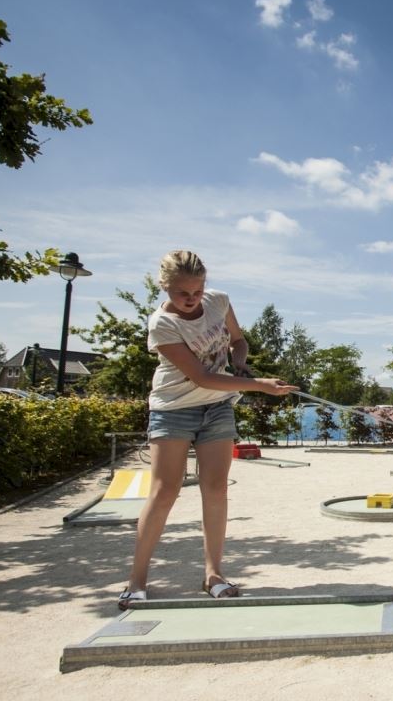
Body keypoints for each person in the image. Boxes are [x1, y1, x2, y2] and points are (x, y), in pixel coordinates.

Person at [118, 250, 297, 609]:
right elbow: (200, 376)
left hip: (217, 407)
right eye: (182, 292)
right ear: (165, 287)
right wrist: (259, 385)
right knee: (165, 491)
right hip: (174, 408)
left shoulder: (218, 302)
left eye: (197, 290)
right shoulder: (162, 324)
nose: (191, 298)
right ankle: (137, 580)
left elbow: (238, 341)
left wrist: (240, 362)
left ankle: (213, 575)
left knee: (216, 489)